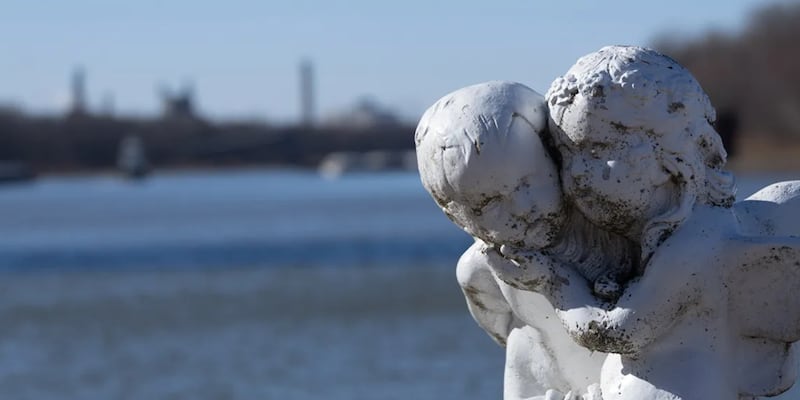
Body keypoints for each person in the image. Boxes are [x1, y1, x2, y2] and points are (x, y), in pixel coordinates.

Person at [488, 46, 800, 399]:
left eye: (595, 150)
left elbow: (615, 333)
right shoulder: (655, 235)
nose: (576, 173)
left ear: (669, 156)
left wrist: (552, 281)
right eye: (567, 155)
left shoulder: (696, 241)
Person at [415, 81, 635, 399]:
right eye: (490, 203)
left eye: (527, 182)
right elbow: (500, 328)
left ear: (553, 156)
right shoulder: (482, 270)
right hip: (543, 383)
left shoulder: (614, 228)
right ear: (459, 218)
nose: (521, 208)